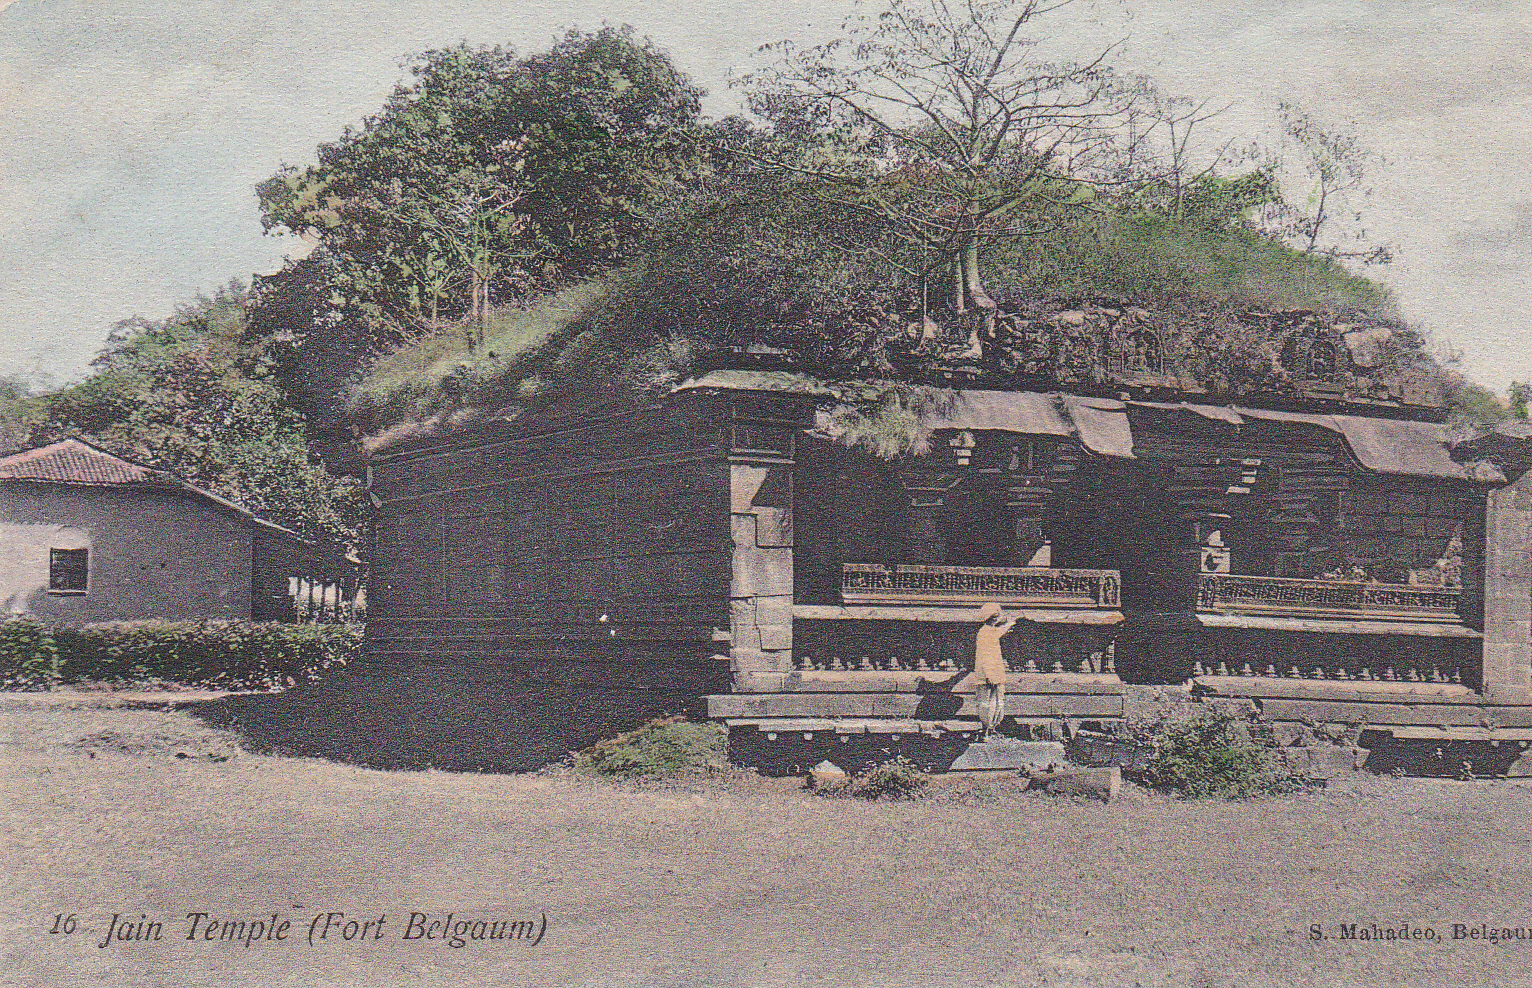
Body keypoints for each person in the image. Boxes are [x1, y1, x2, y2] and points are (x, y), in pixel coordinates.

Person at [973, 603, 1018, 739]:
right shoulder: (984, 632)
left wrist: (1009, 623)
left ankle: (990, 729)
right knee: (987, 702)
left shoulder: (990, 631)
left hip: (995, 672)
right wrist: (989, 675)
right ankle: (986, 731)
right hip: (988, 673)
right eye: (995, 616)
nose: (997, 619)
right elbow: (984, 655)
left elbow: (999, 631)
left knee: (995, 701)